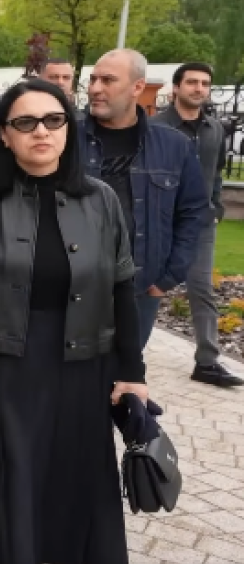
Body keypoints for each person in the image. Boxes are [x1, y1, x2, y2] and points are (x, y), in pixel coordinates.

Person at [0, 79, 150, 564]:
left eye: (54, 120)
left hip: (79, 366)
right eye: (25, 122)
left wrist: (132, 373)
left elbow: (122, 287)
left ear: (68, 129)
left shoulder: (101, 200)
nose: (41, 131)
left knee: (59, 477)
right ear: (4, 134)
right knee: (5, 478)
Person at [79, 49, 206, 351]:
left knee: (124, 371)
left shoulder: (174, 146)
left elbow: (193, 211)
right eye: (93, 80)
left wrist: (169, 276)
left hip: (138, 289)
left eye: (107, 80)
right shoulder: (65, 137)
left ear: (137, 87)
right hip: (72, 285)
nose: (95, 88)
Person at [150, 63, 243, 386]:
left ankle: (207, 362)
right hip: (158, 221)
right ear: (176, 87)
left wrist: (216, 207)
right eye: (192, 82)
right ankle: (123, 357)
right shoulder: (154, 127)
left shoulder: (215, 129)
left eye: (205, 83)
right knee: (143, 287)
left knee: (202, 289)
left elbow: (215, 173)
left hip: (199, 224)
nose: (199, 88)